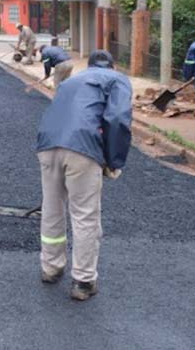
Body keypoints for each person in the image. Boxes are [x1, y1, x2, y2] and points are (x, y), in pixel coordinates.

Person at [36, 49, 132, 302]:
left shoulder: (70, 81)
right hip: (82, 148)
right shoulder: (116, 79)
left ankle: (50, 267)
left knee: (52, 208)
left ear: (88, 65)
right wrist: (114, 160)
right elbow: (118, 119)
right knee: (85, 214)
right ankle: (83, 280)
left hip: (47, 144)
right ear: (112, 65)